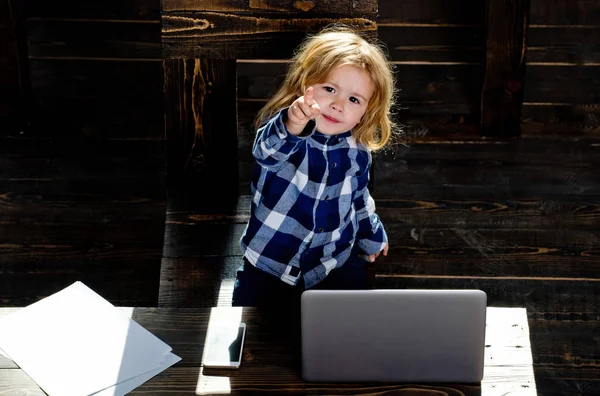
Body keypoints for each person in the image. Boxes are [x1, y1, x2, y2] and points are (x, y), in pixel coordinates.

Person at [232, 24, 398, 309]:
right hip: (270, 261)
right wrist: (293, 123)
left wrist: (372, 236)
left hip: (331, 261)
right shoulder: (287, 132)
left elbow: (359, 198)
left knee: (348, 327)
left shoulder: (357, 150)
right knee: (256, 334)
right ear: (304, 86)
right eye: (329, 89)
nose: (338, 104)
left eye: (353, 99)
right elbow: (265, 153)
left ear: (366, 112)